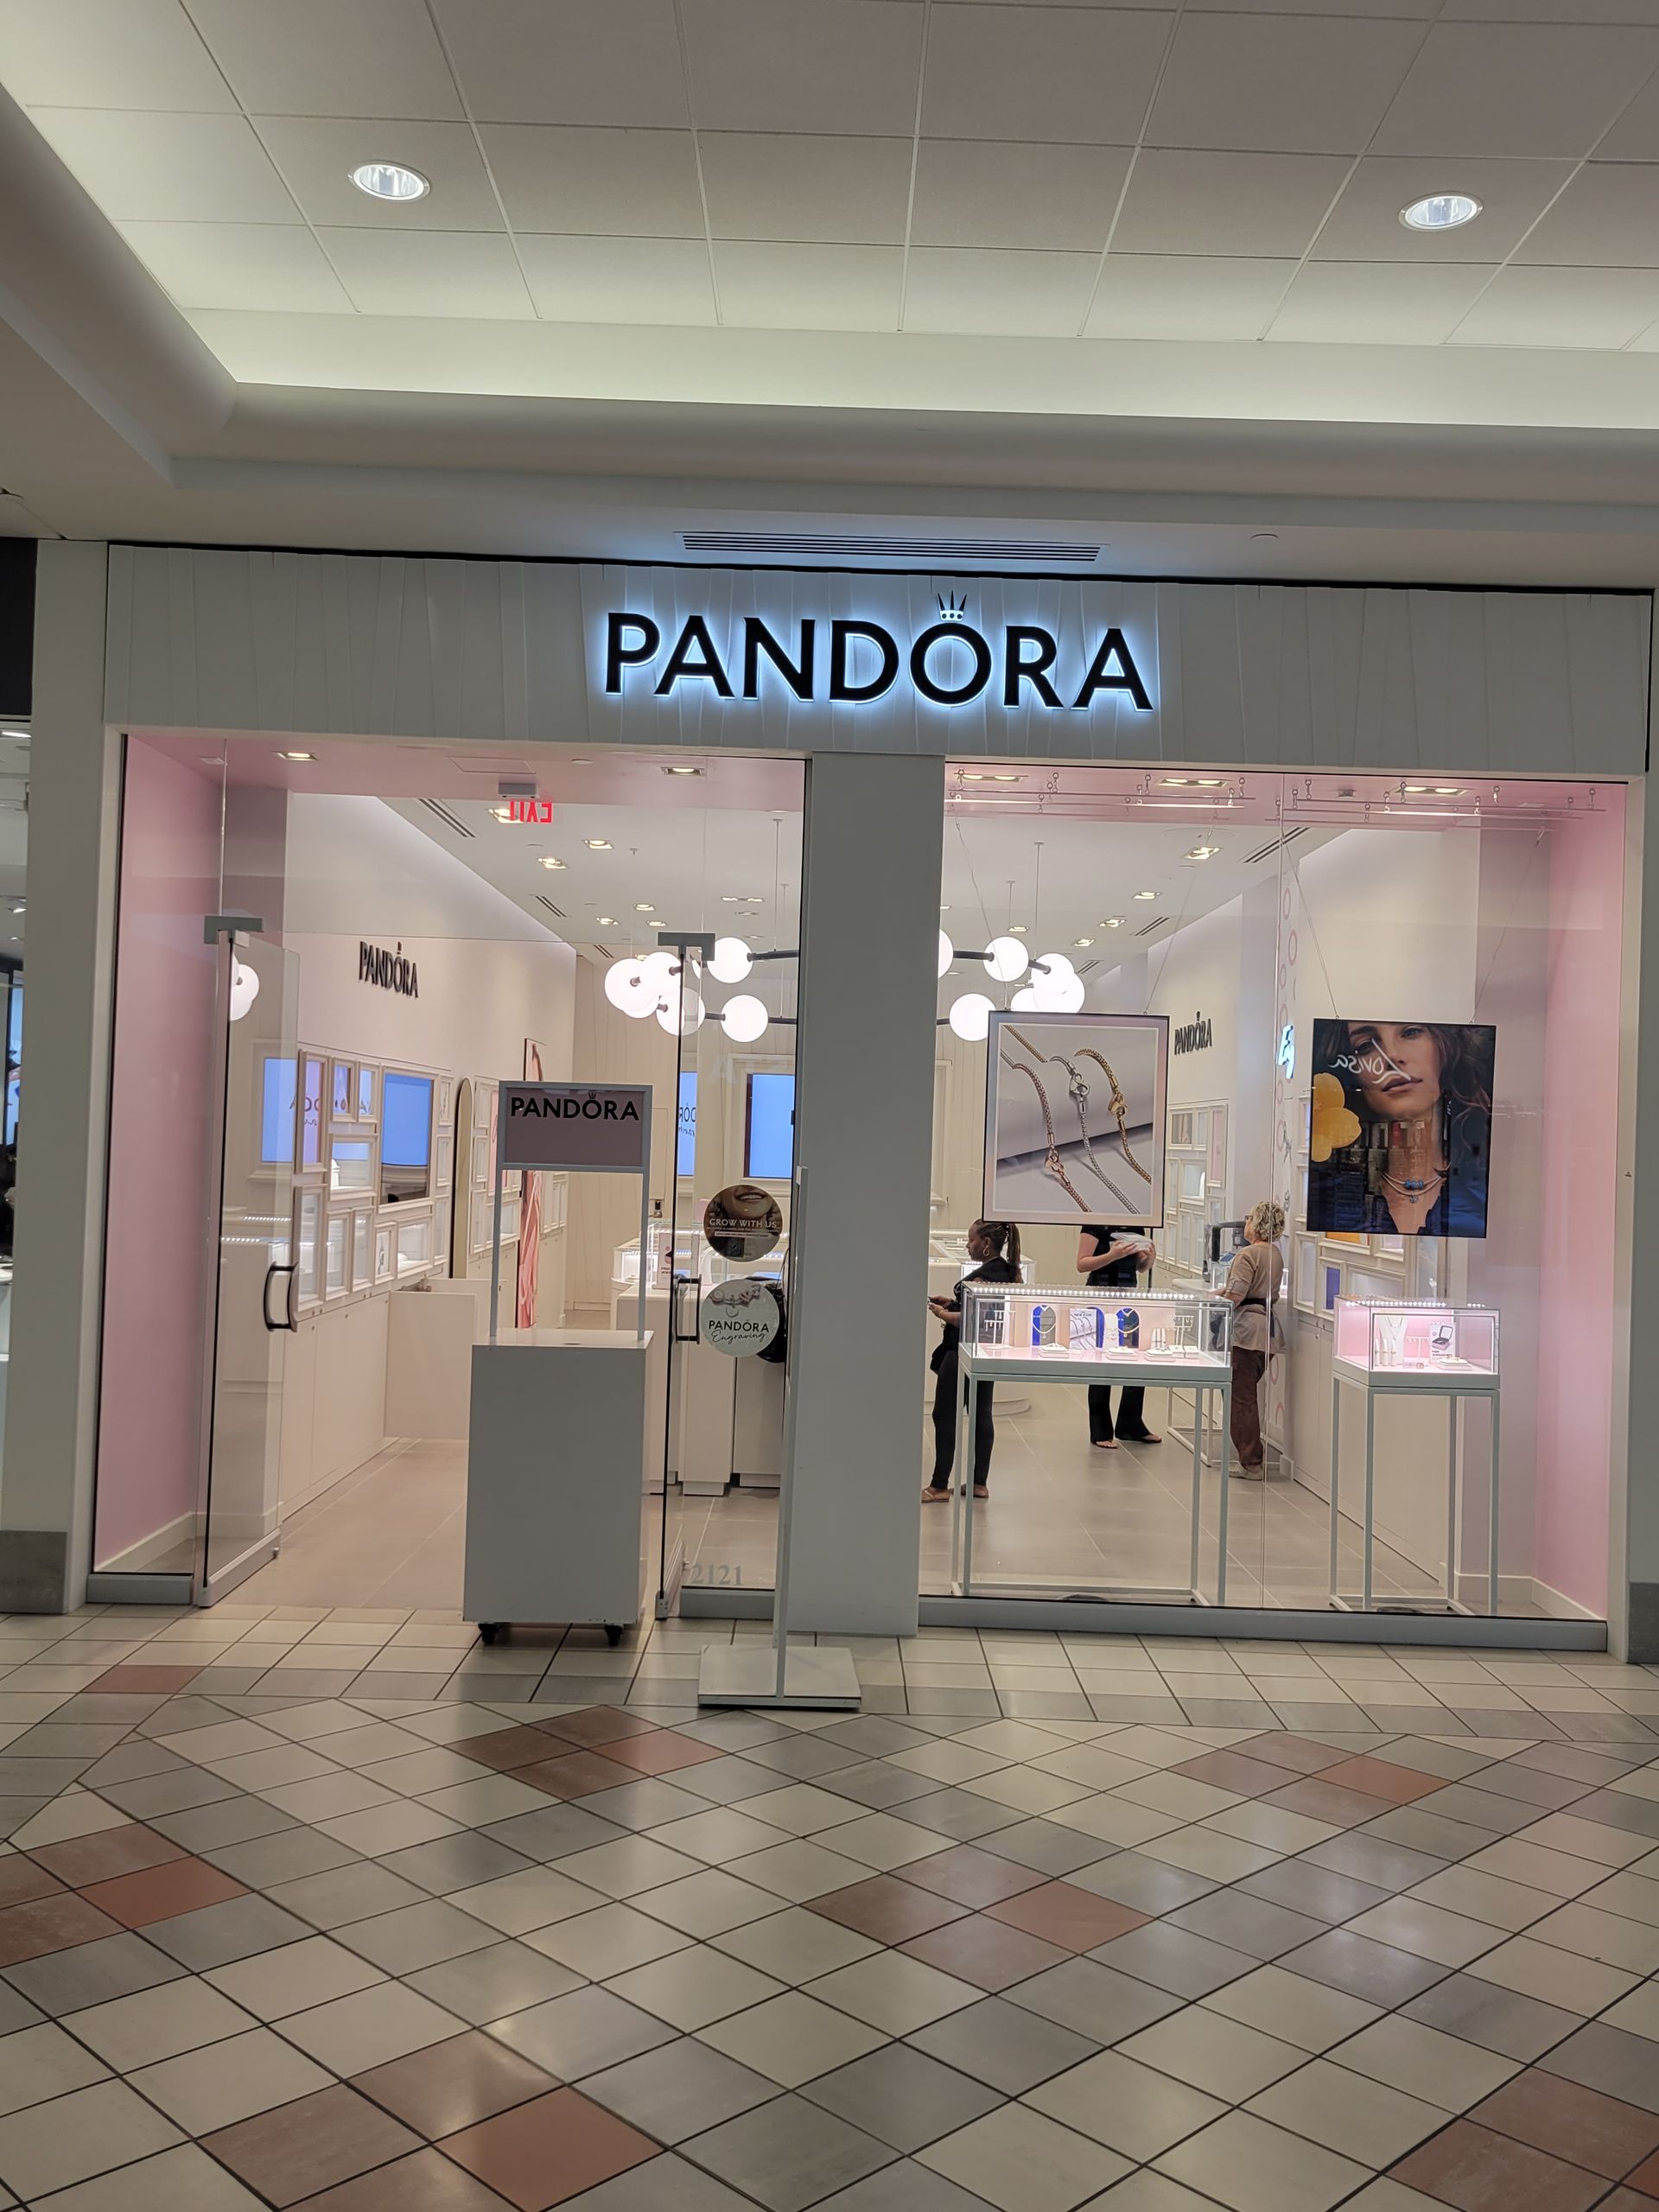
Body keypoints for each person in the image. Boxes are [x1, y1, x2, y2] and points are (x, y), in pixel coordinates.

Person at [1309, 1020, 1492, 1238]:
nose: (1392, 1056)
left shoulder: (1482, 1187)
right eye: (1366, 1045)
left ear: (1443, 1046)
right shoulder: (1332, 1195)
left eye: (1411, 1032)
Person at [924, 1218, 1021, 1503]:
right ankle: (979, 1482)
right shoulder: (1007, 1271)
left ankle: (939, 1485)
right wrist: (952, 1303)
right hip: (985, 1351)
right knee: (981, 1414)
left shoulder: (983, 1277)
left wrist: (943, 1314)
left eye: (971, 1240)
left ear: (986, 1244)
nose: (968, 1245)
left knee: (945, 1416)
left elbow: (971, 1319)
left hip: (961, 1352)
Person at [1077, 1224, 1161, 1449]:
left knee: (1135, 1360)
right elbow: (1082, 1264)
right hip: (1101, 1295)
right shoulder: (1095, 1225)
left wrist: (1148, 1259)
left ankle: (1131, 1424)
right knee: (1101, 1362)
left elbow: (1140, 1267)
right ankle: (1100, 1430)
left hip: (1129, 1296)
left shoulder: (1137, 1225)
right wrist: (1111, 1255)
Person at [1219, 1200, 1285, 1477]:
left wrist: (1216, 1303)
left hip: (1247, 1332)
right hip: (1267, 1331)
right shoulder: (1275, 1254)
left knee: (1241, 1397)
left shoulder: (1247, 1255)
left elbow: (1236, 1295)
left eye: (1248, 1218)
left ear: (1256, 1223)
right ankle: (1251, 1456)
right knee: (1246, 1394)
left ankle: (1251, 1461)